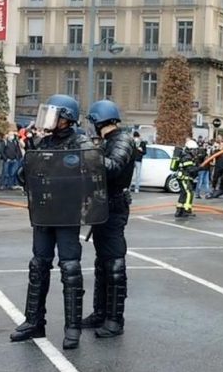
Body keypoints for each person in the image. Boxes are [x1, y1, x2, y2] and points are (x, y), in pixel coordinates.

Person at [11, 95, 95, 349]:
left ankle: (72, 327)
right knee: (38, 265)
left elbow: (90, 176)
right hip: (45, 212)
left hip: (67, 215)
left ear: (66, 118)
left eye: (54, 115)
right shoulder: (43, 142)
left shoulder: (81, 142)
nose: (49, 119)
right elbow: (23, 177)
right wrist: (30, 156)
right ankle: (34, 321)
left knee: (70, 269)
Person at [81, 99, 135, 338]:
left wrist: (89, 154)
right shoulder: (108, 141)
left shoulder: (122, 139)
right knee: (102, 263)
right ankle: (100, 313)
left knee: (114, 263)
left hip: (114, 207)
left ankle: (115, 319)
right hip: (104, 206)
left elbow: (113, 167)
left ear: (99, 120)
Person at [171, 139, 200, 218]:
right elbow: (190, 169)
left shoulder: (185, 155)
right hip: (185, 178)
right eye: (194, 150)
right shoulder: (187, 157)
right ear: (190, 149)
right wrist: (199, 168)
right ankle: (187, 210)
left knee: (183, 193)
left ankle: (179, 210)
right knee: (189, 193)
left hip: (182, 177)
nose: (195, 152)